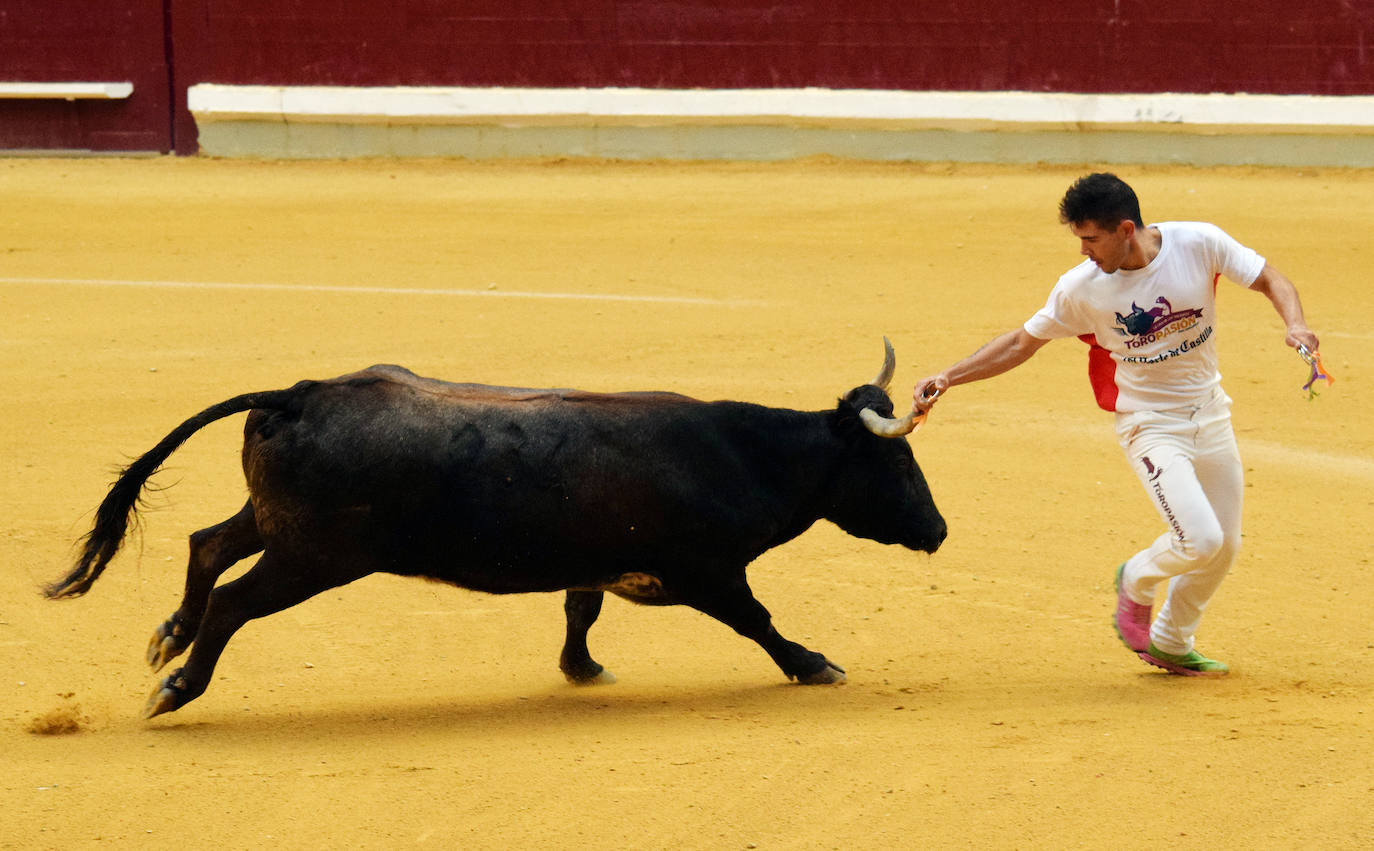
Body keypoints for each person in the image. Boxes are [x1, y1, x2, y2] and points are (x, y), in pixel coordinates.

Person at [912, 172, 1319, 676]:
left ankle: (1171, 639)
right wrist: (949, 376)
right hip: (1149, 424)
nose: (1083, 251)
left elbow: (1271, 279)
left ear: (1126, 229)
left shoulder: (1198, 243)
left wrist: (1295, 323)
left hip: (1211, 411)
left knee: (1224, 546)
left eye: (1090, 238)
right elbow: (1022, 343)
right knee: (1201, 541)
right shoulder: (1081, 288)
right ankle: (1137, 580)